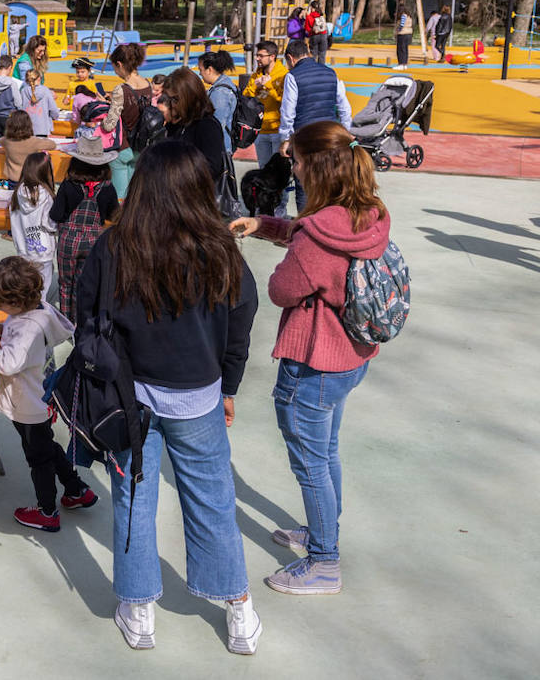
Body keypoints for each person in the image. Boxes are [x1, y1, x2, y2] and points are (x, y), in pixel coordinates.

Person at [77, 140, 261, 656]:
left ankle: (138, 609)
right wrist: (228, 383)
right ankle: (239, 609)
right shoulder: (221, 249)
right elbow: (242, 318)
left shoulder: (114, 246)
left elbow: (84, 314)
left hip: (126, 397)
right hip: (199, 396)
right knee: (212, 502)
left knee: (133, 500)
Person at [229, 121, 389, 596]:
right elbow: (309, 232)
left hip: (314, 360)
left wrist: (290, 249)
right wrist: (266, 225)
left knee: (311, 464)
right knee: (327, 451)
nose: (291, 167)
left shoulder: (317, 237)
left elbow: (283, 289)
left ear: (316, 168)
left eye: (295, 160)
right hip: (351, 354)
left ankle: (324, 561)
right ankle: (325, 531)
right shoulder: (366, 212)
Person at [0, 257, 95, 532]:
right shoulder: (37, 312)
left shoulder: (26, 327)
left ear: (15, 302)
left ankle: (47, 511)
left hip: (27, 402)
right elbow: (26, 346)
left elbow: (9, 362)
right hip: (40, 395)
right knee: (47, 447)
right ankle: (76, 490)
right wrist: (3, 329)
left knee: (39, 458)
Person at [279, 39, 352, 213]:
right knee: (328, 180)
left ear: (290, 58)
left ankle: (304, 225)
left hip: (305, 136)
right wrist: (346, 132)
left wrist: (286, 139)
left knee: (304, 183)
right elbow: (344, 106)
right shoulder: (330, 73)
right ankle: (329, 222)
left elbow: (288, 111)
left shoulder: (293, 76)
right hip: (329, 135)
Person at [51, 136, 119, 319]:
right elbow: (114, 215)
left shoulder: (68, 185)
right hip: (93, 241)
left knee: (65, 283)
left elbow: (56, 215)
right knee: (84, 283)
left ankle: (66, 321)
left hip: (68, 240)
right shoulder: (107, 188)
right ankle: (81, 321)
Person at [159, 66, 229, 185]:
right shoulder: (177, 123)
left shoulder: (206, 126)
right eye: (169, 99)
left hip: (196, 197)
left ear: (189, 96)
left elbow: (212, 168)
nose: (172, 104)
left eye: (175, 99)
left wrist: (177, 169)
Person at [9, 151, 58, 302]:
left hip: (24, 249)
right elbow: (50, 224)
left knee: (27, 289)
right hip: (43, 251)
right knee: (41, 292)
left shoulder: (16, 193)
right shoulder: (47, 196)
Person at [105, 43, 153, 198]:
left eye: (114, 67)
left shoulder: (121, 89)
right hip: (141, 145)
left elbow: (109, 124)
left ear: (119, 64)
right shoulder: (147, 84)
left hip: (123, 145)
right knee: (134, 194)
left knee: (120, 196)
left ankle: (120, 221)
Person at [244, 41, 288, 174]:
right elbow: (245, 97)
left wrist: (269, 86)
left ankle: (282, 196)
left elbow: (285, 102)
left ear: (272, 56)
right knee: (263, 168)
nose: (257, 58)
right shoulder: (257, 74)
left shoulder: (284, 74)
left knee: (279, 171)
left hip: (277, 130)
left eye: (261, 56)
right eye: (257, 55)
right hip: (260, 130)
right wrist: (254, 87)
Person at [0, 109, 57, 182]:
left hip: (13, 177)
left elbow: (1, 141)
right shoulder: (34, 141)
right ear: (29, 124)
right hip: (30, 177)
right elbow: (53, 145)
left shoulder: (6, 141)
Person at [199, 50, 238, 157]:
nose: (200, 74)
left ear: (209, 70)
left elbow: (216, 125)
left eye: (201, 70)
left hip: (219, 149)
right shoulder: (224, 85)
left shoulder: (220, 93)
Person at [20, 65, 60, 135]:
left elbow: (20, 108)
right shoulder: (45, 91)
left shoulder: (23, 91)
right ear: (39, 79)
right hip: (43, 129)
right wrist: (54, 117)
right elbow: (54, 110)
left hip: (27, 128)